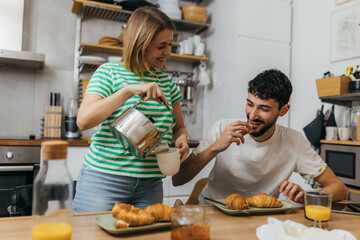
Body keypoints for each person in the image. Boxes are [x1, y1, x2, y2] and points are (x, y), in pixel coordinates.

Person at [73, 7, 190, 213]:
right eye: (161, 46)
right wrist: (128, 91)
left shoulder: (167, 83)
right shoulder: (109, 73)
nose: (168, 52)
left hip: (151, 185)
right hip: (104, 181)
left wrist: (182, 138)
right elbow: (83, 121)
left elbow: (179, 127)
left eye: (170, 44)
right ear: (141, 43)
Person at [172, 69, 349, 204]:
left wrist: (308, 196)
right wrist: (216, 147)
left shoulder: (293, 141)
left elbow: (341, 189)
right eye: (250, 104)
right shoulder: (222, 128)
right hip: (212, 213)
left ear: (283, 110)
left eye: (263, 109)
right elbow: (178, 179)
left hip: (260, 219)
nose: (252, 115)